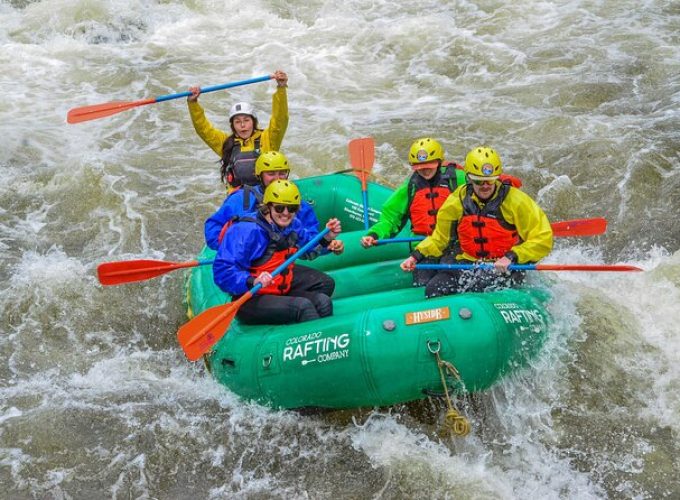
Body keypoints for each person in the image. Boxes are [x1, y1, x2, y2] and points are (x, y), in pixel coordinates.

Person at [400, 146, 553, 298]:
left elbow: (543, 238)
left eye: (490, 180)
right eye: (479, 181)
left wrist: (512, 256)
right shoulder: (456, 201)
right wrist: (415, 256)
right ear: (469, 178)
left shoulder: (516, 201)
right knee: (433, 289)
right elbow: (440, 238)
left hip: (505, 265)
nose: (485, 186)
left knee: (480, 286)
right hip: (467, 262)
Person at [213, 180, 344, 325]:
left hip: (279, 287)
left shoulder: (293, 225)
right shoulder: (247, 230)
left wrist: (327, 238)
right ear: (268, 207)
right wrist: (252, 280)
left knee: (323, 301)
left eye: (292, 208)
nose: (286, 213)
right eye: (280, 208)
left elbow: (309, 252)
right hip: (250, 297)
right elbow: (222, 272)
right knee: (303, 307)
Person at [359, 138, 467, 286]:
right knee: (423, 284)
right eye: (420, 166)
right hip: (422, 250)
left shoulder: (457, 179)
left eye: (429, 165)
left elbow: (484, 190)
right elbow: (390, 219)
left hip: (455, 246)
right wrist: (374, 234)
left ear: (439, 162)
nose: (425, 169)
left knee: (450, 280)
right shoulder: (410, 188)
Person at [187, 70, 289, 188]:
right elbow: (203, 129)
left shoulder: (268, 138)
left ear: (253, 122)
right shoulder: (226, 143)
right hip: (238, 198)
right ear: (233, 125)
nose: (242, 125)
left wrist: (281, 88)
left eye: (246, 120)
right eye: (237, 122)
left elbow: (280, 119)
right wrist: (193, 102)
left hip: (267, 195)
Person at [204, 150, 321, 250]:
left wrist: (328, 243)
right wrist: (232, 249)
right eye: (271, 174)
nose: (277, 178)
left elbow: (313, 238)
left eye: (282, 173)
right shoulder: (240, 198)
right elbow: (213, 226)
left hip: (279, 260)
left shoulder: (295, 201)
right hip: (248, 259)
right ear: (259, 175)